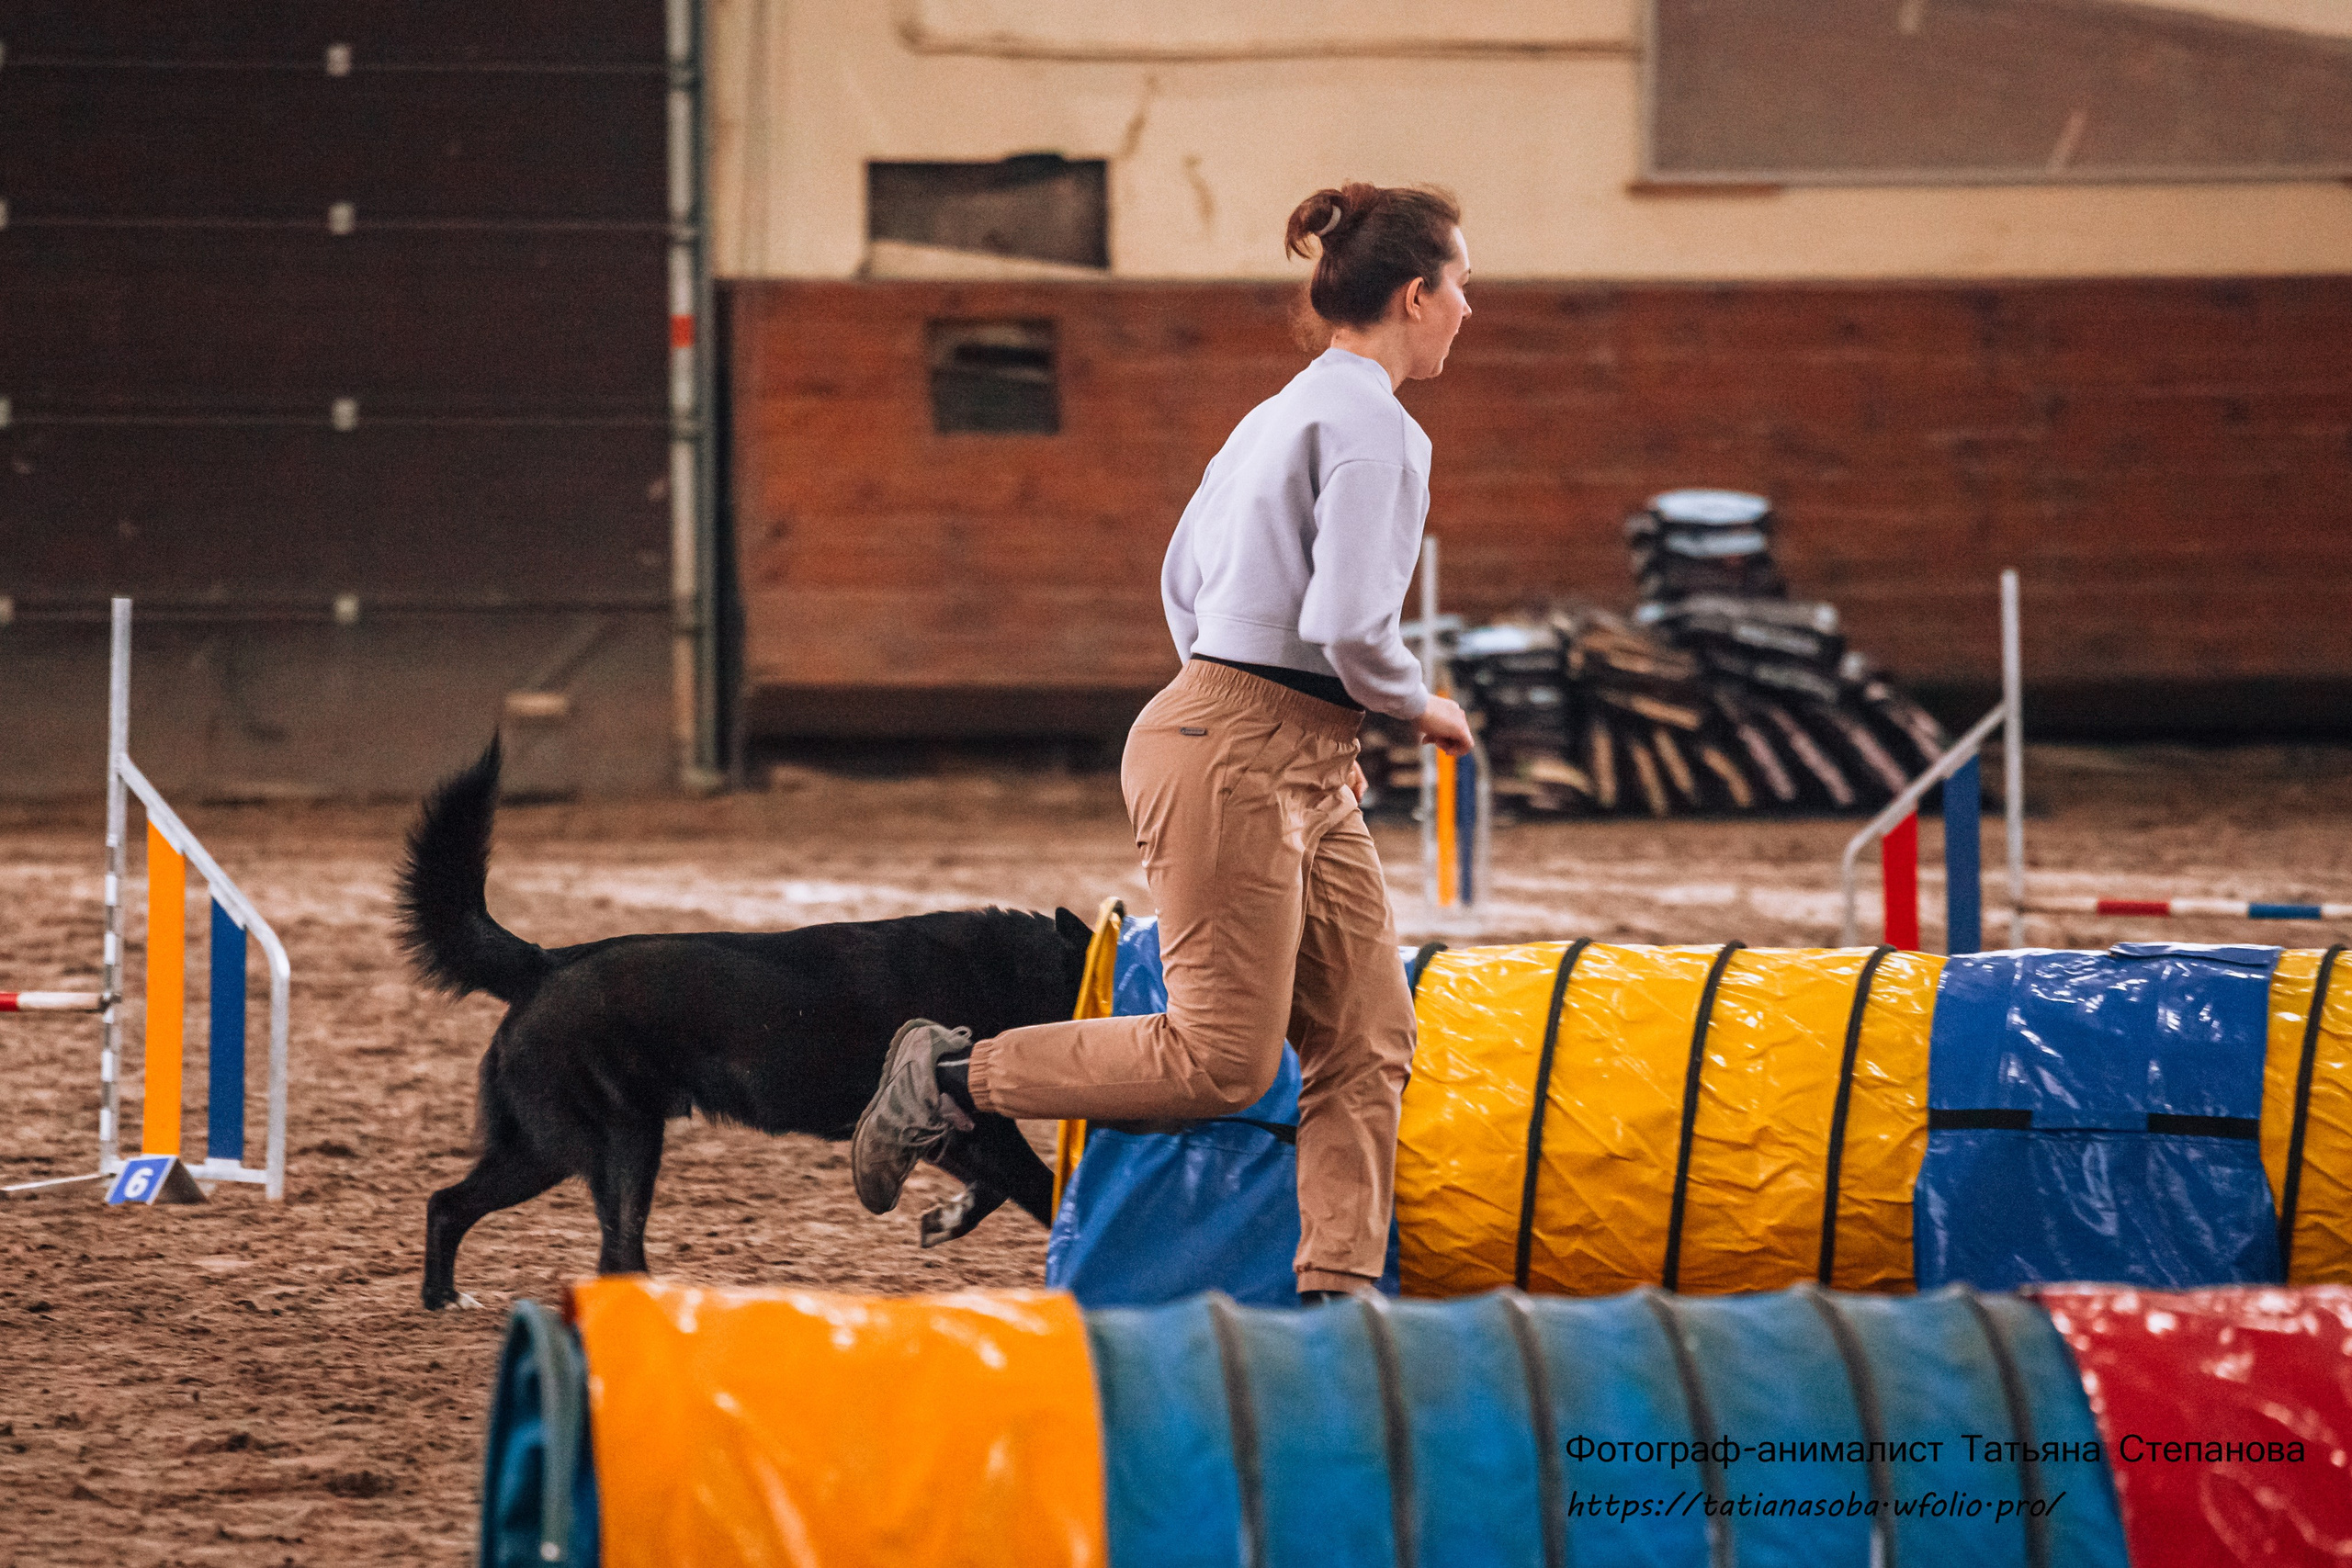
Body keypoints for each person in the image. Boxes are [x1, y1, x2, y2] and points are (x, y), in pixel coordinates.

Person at [851, 181, 1476, 1302]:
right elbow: (1344, 624)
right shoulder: (1380, 428)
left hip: (1256, 740)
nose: (1467, 311)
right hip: (1245, 748)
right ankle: (953, 1072)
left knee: (1368, 1035)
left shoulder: (1276, 412)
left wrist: (1256, 695)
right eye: (1462, 288)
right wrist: (1414, 703)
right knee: (1221, 1063)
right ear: (1418, 295)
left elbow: (1181, 577)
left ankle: (1337, 1290)